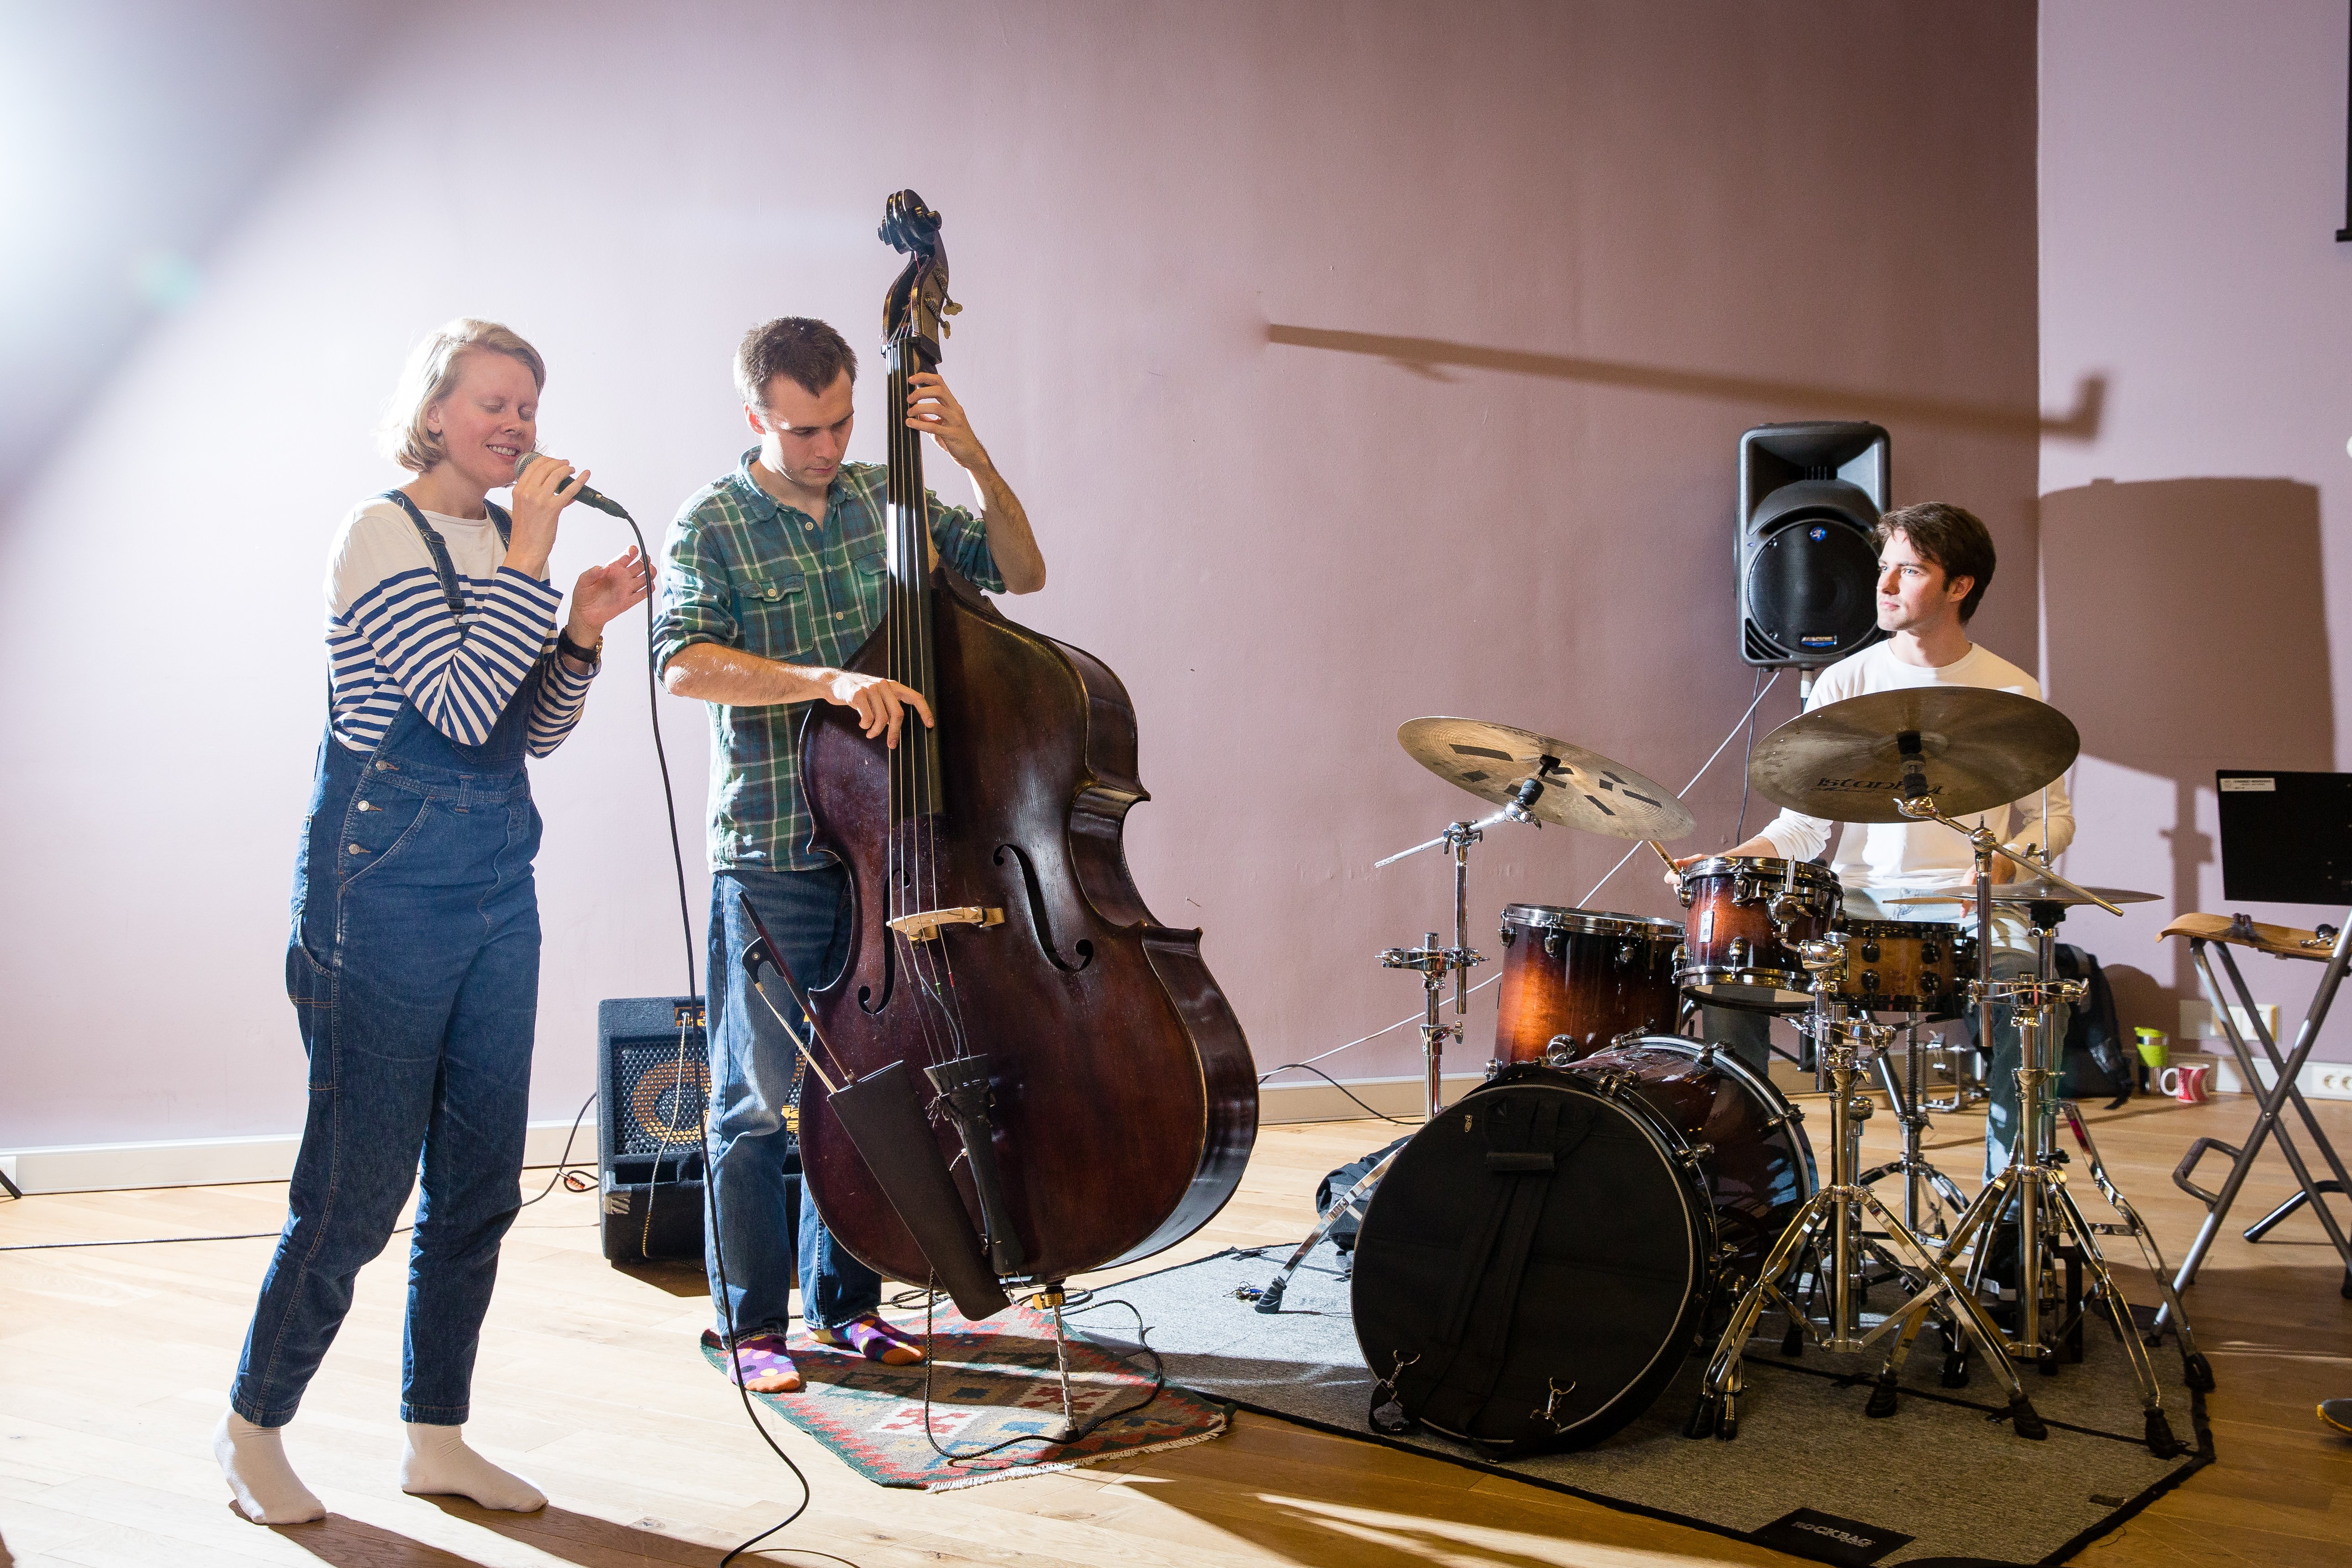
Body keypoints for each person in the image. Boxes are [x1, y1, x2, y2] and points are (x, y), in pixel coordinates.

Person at [214, 319, 648, 1525]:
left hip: (495, 885)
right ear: (435, 410)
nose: (515, 427)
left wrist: (579, 632)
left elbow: (528, 733)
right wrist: (537, 557)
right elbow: (456, 708)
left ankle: (436, 1435)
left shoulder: (510, 546)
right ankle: (251, 1430)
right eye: (492, 405)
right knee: (356, 1191)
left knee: (476, 1184)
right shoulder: (380, 535)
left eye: (529, 408)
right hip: (381, 890)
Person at [657, 317, 1046, 1394]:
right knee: (753, 1099)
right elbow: (684, 667)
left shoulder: (891, 498)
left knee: (873, 1087)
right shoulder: (715, 521)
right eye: (800, 429)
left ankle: (849, 1308)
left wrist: (969, 453)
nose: (826, 446)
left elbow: (1025, 572)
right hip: (775, 849)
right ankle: (747, 1327)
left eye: (837, 423)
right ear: (755, 417)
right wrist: (824, 681)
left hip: (888, 854)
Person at [1669, 502, 2072, 1181]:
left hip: (1968, 910)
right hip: (1856, 908)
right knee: (1732, 969)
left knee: (2034, 990)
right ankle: (1752, 1184)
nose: (1883, 586)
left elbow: (2052, 817)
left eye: (1907, 570)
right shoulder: (1845, 680)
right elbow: (1801, 827)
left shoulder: (2010, 688)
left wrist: (2014, 857)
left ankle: (2012, 1195)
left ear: (1959, 586)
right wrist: (1725, 864)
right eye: (1883, 568)